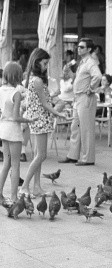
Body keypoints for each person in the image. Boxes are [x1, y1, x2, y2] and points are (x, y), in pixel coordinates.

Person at [20, 49, 68, 197]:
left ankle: (36, 187)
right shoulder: (38, 80)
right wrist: (59, 113)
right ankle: (25, 187)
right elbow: (46, 104)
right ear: (37, 62)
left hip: (37, 118)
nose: (47, 66)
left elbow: (41, 101)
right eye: (45, 63)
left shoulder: (32, 79)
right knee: (41, 155)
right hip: (40, 119)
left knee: (38, 155)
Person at [59, 38, 102, 166]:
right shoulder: (82, 62)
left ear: (89, 49)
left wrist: (91, 89)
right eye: (78, 47)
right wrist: (70, 73)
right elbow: (78, 79)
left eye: (82, 47)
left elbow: (98, 76)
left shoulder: (90, 62)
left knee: (86, 129)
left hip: (85, 97)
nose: (79, 49)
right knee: (75, 127)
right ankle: (73, 155)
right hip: (78, 97)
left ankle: (88, 158)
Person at [0, 62, 37, 206]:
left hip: (3, 128)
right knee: (15, 165)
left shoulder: (1, 89)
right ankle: (14, 197)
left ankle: (0, 193)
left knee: (6, 164)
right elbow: (16, 117)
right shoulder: (15, 92)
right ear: (17, 75)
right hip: (13, 130)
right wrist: (29, 119)